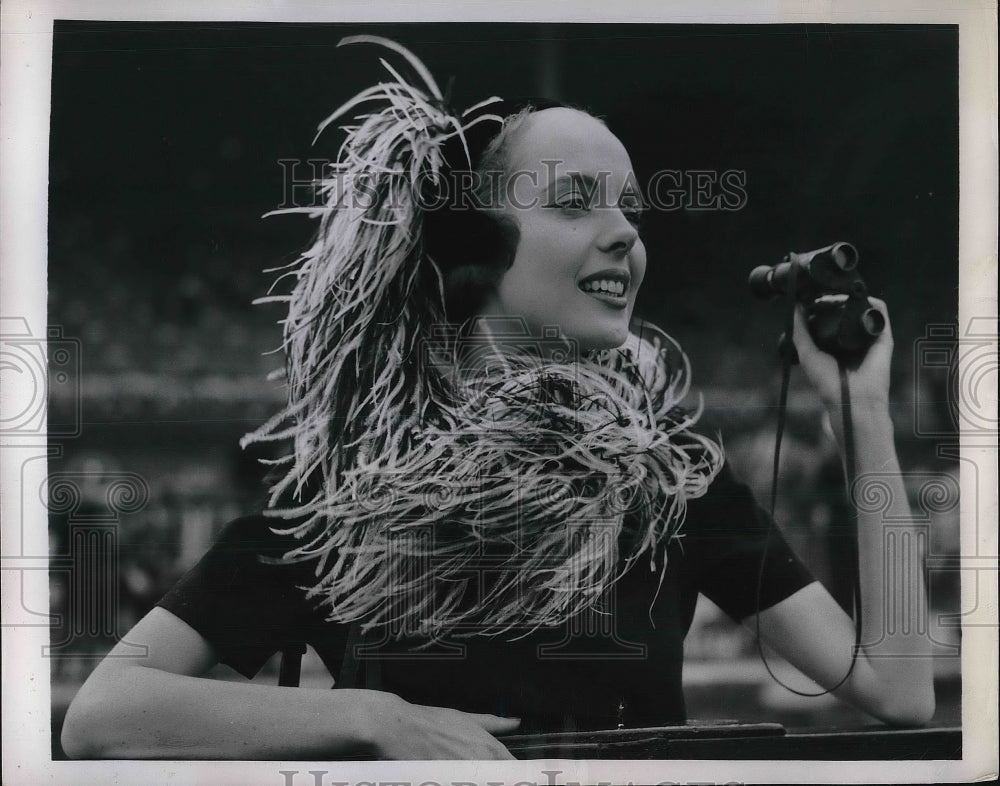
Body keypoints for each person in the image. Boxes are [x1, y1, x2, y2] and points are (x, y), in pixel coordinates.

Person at [60, 36, 934, 761]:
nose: (627, 231)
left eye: (630, 208)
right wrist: (377, 720)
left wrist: (861, 413)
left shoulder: (673, 486)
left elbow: (897, 688)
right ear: (479, 250)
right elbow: (101, 716)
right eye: (574, 202)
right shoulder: (347, 502)